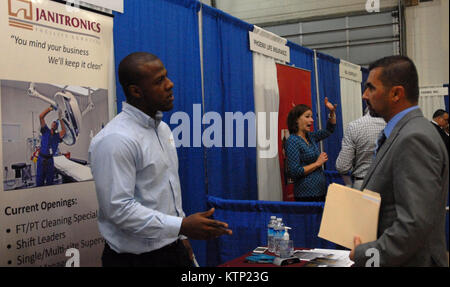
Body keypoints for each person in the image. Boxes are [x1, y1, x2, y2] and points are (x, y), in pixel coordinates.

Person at [88, 52, 232, 267]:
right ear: (136, 91)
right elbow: (119, 210)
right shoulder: (115, 140)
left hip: (172, 250)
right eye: (159, 81)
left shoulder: (162, 129)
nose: (170, 84)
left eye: (166, 76)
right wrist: (181, 226)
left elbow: (168, 191)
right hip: (135, 261)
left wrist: (181, 237)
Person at [349, 56, 448, 267]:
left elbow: (414, 225)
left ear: (396, 93)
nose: (365, 95)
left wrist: (365, 255)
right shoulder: (404, 133)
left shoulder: (414, 138)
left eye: (371, 88)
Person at [285, 98, 337, 201]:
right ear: (296, 120)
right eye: (307, 117)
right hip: (306, 196)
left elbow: (329, 130)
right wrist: (317, 163)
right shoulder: (292, 141)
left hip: (320, 192)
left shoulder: (310, 136)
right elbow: (294, 171)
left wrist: (332, 112)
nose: (312, 120)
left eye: (312, 117)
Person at [335, 109, 386, 190]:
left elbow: (342, 166)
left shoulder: (355, 126)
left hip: (362, 184)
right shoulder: (397, 125)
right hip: (391, 185)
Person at [36, 106, 66, 186]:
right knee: (39, 180)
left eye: (56, 124)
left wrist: (60, 119)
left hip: (50, 160)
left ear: (57, 127)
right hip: (41, 159)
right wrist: (50, 108)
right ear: (51, 124)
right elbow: (41, 116)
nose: (54, 124)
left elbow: (64, 131)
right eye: (53, 122)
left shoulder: (57, 136)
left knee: (50, 181)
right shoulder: (45, 130)